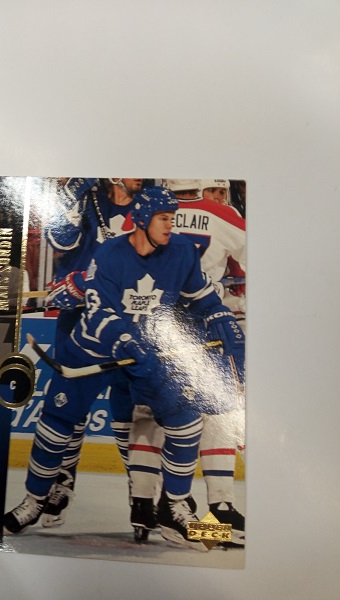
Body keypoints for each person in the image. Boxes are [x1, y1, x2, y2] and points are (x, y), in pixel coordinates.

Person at [4, 186, 245, 547]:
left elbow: (202, 294)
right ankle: (194, 509)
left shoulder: (179, 248)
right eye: (164, 218)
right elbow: (99, 310)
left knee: (180, 420)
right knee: (110, 422)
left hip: (158, 344)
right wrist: (124, 338)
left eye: (172, 217)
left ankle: (167, 507)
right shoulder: (117, 252)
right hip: (118, 346)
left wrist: (219, 313)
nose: (171, 224)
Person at [126, 178, 246, 545]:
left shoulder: (145, 215)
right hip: (203, 328)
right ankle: (219, 508)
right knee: (217, 412)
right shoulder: (225, 216)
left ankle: (142, 504)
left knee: (148, 412)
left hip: (153, 326)